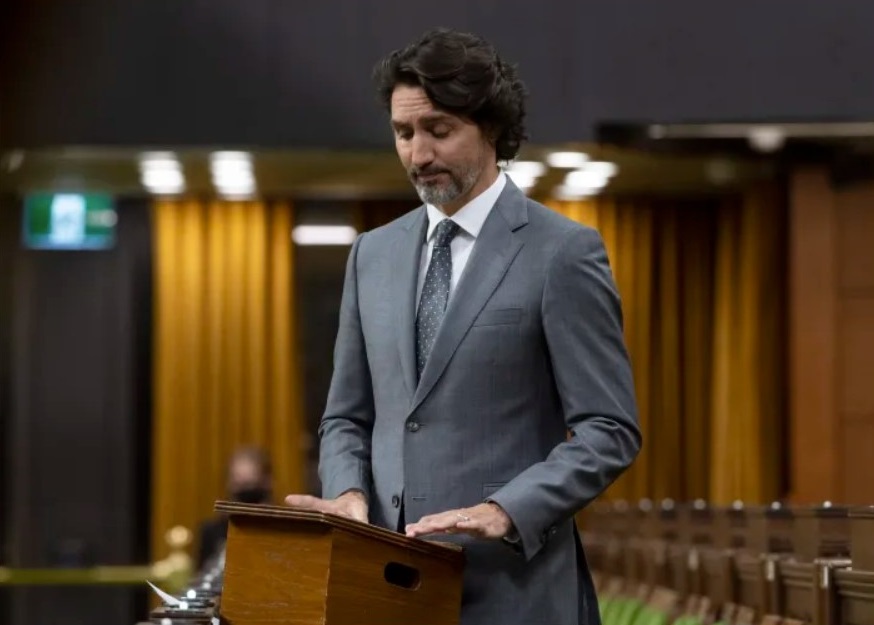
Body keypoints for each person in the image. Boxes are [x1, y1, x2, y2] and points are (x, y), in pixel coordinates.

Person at [285, 28, 641, 625]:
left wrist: (509, 508)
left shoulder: (563, 252)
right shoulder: (370, 254)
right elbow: (347, 416)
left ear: (491, 129)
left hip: (517, 592)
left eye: (439, 131)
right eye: (403, 133)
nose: (418, 154)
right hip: (388, 592)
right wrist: (348, 491)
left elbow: (610, 429)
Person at [196, 446, 273, 570]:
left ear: (267, 481)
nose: (245, 490)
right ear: (230, 483)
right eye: (239, 484)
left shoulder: (280, 530)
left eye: (250, 483)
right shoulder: (212, 531)